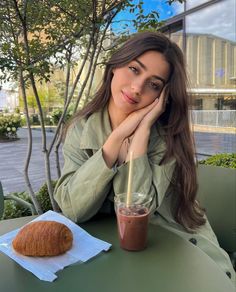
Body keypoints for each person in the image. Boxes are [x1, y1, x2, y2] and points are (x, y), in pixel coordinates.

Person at [54, 32, 235, 283]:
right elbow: (73, 209)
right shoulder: (81, 129)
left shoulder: (167, 138)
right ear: (115, 67)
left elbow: (136, 210)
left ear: (162, 97)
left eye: (154, 84)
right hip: (119, 259)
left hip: (188, 254)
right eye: (134, 69)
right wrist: (115, 140)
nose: (137, 88)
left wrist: (141, 133)